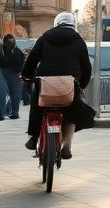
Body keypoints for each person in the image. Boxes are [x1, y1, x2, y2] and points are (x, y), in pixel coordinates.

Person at [21, 12, 96, 157]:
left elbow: (32, 59)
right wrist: (82, 85)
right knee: (72, 112)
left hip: (45, 82)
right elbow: (86, 67)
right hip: (70, 83)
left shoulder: (44, 38)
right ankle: (66, 143)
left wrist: (26, 75)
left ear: (56, 23)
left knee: (37, 105)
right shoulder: (79, 41)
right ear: (73, 25)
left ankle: (34, 137)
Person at [1, 33, 24, 119]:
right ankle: (14, 113)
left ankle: (2, 114)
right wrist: (20, 72)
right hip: (15, 73)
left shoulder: (1, 49)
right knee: (15, 94)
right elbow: (21, 62)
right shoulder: (17, 50)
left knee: (3, 93)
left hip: (3, 71)